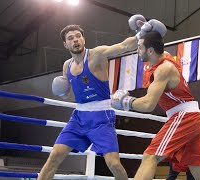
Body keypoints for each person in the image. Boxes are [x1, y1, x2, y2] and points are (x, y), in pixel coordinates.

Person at [111, 31, 200, 180]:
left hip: (184, 116)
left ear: (150, 50)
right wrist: (147, 30)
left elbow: (148, 104)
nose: (137, 51)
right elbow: (156, 40)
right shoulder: (162, 59)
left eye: (139, 47)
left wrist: (125, 102)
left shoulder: (164, 69)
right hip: (191, 117)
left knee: (150, 156)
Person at [37, 19, 142, 179]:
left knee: (114, 164)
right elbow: (71, 95)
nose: (75, 40)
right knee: (54, 156)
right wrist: (63, 93)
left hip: (102, 116)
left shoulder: (96, 55)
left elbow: (123, 46)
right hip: (79, 117)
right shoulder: (67, 66)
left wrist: (141, 34)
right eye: (71, 38)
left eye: (78, 36)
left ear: (83, 39)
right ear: (65, 44)